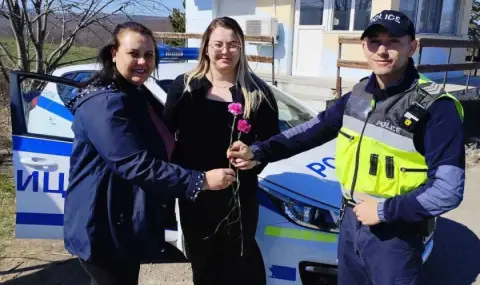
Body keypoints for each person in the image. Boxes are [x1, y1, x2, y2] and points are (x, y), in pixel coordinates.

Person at [228, 10, 465, 285]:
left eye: (394, 42)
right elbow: (311, 131)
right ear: (364, 46)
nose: (383, 50)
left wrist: (383, 211)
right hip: (351, 223)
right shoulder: (359, 94)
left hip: (396, 235)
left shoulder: (436, 107)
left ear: (413, 46)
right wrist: (259, 152)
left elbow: (448, 190)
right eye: (375, 41)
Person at [64, 21, 236, 285]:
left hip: (122, 225)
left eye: (149, 54)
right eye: (134, 53)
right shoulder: (106, 104)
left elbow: (164, 141)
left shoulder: (135, 94)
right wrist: (200, 180)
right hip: (103, 227)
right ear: (114, 54)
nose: (142, 61)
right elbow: (135, 164)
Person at [163, 16, 280, 285]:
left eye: (232, 45)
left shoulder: (257, 92)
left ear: (241, 48)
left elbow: (272, 143)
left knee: (240, 266)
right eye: (218, 44)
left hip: (240, 198)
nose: (225, 51)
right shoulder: (186, 86)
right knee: (203, 267)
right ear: (206, 47)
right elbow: (166, 137)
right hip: (197, 195)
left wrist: (254, 158)